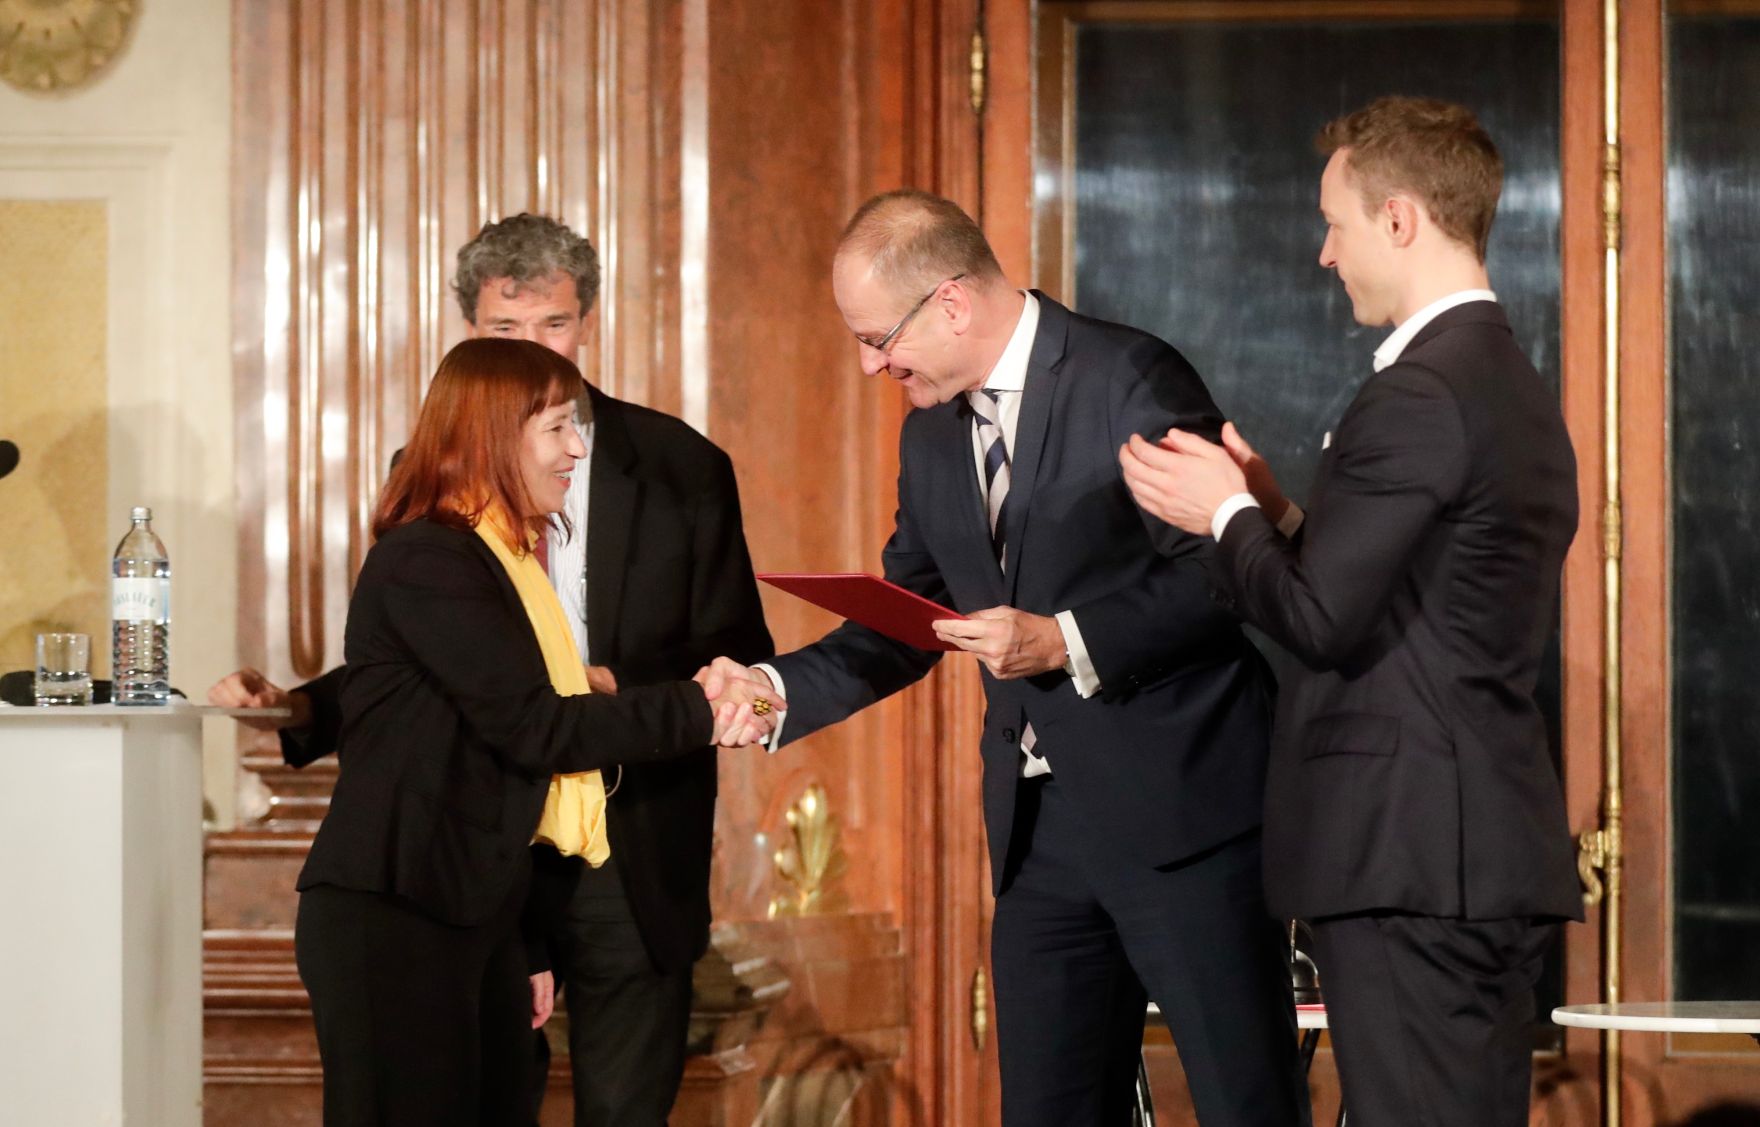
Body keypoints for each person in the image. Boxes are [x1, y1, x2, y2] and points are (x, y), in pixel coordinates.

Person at [702, 190, 1307, 1126]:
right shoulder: (931, 431)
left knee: (1244, 1103)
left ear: (950, 303)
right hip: (1040, 834)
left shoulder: (1128, 376)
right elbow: (912, 614)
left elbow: (1234, 576)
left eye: (876, 338)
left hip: (1185, 817)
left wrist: (1064, 638)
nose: (870, 365)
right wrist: (778, 689)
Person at [211, 213, 774, 1125]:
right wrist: (299, 708)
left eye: (551, 326)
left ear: (586, 319)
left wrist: (654, 688)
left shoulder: (681, 464)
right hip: (471, 858)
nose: (572, 446)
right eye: (505, 333)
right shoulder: (444, 525)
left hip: (623, 834)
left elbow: (731, 643)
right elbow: (474, 691)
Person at [1118, 96, 1581, 1127]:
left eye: (1334, 224)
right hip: (1460, 850)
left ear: (1400, 219)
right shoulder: (1504, 381)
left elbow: (1322, 622)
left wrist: (1223, 511)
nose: (1325, 256)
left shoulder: (1419, 390)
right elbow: (1405, 601)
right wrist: (1277, 510)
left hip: (1410, 857)